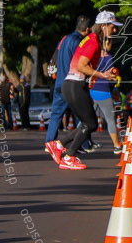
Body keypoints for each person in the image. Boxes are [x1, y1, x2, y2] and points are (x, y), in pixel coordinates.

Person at [46, 11, 120, 170]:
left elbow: (85, 67)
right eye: (113, 27)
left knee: (89, 122)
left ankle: (59, 144)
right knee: (90, 123)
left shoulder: (93, 40)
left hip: (74, 84)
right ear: (103, 26)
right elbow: (81, 66)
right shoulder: (92, 41)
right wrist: (102, 75)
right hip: (74, 84)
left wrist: (93, 79)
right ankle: (68, 155)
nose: (114, 31)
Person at [46, 16, 91, 147]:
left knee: (56, 114)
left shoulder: (64, 40)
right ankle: (83, 144)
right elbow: (81, 63)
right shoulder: (79, 42)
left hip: (60, 82)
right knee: (81, 114)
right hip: (73, 82)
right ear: (87, 29)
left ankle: (50, 143)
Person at [89, 39, 122, 154]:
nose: (111, 46)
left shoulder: (94, 55)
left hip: (92, 90)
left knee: (86, 117)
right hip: (104, 91)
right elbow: (112, 74)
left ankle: (80, 142)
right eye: (110, 43)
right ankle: (117, 145)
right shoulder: (109, 57)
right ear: (106, 44)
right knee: (110, 119)